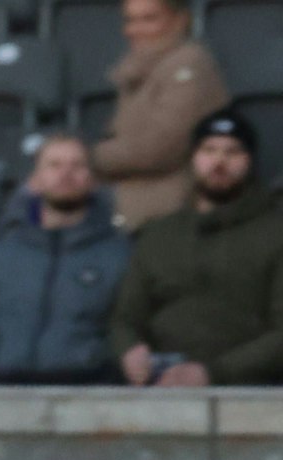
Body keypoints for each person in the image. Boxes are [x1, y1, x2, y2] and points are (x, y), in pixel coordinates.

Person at [111, 108, 283, 388]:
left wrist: (212, 373)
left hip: (249, 393)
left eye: (233, 151)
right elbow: (126, 317)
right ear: (193, 159)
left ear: (250, 161)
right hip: (161, 387)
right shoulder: (159, 233)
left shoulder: (276, 232)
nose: (219, 161)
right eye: (209, 150)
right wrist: (129, 351)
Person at [0, 135, 132, 382]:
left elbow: (128, 329)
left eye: (77, 165)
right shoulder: (0, 254)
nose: (65, 174)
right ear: (35, 180)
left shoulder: (119, 255)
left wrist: (91, 362)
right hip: (1, 390)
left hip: (83, 391)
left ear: (93, 181)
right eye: (54, 165)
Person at [90, 0, 229, 233]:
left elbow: (157, 150)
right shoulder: (145, 67)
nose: (134, 30)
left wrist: (85, 159)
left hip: (165, 214)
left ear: (180, 20)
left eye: (149, 19)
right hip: (131, 205)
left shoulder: (188, 66)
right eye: (130, 20)